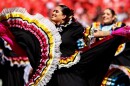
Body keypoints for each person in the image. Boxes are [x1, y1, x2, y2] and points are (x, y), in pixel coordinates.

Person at [0, 5, 130, 86]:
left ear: (64, 16)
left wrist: (112, 33)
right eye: (53, 11)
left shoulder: (74, 28)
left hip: (70, 69)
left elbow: (95, 34)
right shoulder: (47, 29)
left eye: (57, 12)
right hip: (50, 70)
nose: (53, 13)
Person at [83, 8, 130, 86]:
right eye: (103, 14)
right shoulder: (95, 26)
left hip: (116, 62)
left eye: (108, 14)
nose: (104, 16)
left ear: (114, 17)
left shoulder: (120, 27)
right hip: (98, 62)